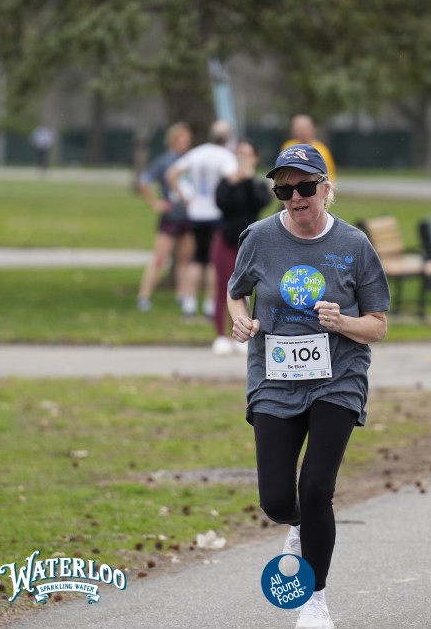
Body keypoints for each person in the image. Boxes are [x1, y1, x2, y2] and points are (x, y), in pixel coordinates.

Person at [227, 144, 390, 628]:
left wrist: (343, 323)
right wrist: (241, 321)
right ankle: (301, 524)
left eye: (304, 187)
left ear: (325, 188)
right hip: (274, 379)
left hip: (337, 378)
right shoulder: (258, 238)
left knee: (316, 487)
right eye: (284, 189)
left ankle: (314, 600)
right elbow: (236, 293)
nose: (296, 197)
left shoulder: (354, 244)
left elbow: (378, 325)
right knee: (278, 501)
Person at [166, 120, 238, 318]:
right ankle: (209, 304)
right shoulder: (225, 156)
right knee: (213, 261)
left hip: (196, 212)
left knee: (197, 258)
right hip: (216, 213)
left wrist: (184, 197)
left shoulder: (197, 152)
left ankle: (188, 303)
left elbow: (171, 174)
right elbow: (233, 178)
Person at [211, 140, 272, 355]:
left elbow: (260, 203)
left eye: (246, 154)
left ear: (255, 158)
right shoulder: (227, 182)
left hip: (250, 243)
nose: (242, 158)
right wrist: (234, 182)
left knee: (248, 289)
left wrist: (247, 181)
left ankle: (243, 333)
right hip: (226, 240)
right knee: (224, 287)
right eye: (239, 153)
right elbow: (222, 203)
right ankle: (221, 335)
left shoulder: (257, 184)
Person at [135, 122, 195, 312]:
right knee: (159, 259)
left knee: (185, 259)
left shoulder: (191, 160)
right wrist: (155, 203)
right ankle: (144, 297)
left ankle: (183, 296)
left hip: (189, 216)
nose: (186, 142)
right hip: (170, 217)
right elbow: (143, 181)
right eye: (182, 139)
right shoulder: (164, 161)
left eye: (188, 139)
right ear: (173, 140)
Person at [281, 114, 337, 183]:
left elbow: (329, 176)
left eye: (303, 129)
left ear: (312, 130)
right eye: (296, 129)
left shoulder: (321, 150)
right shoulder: (288, 146)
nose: (299, 132)